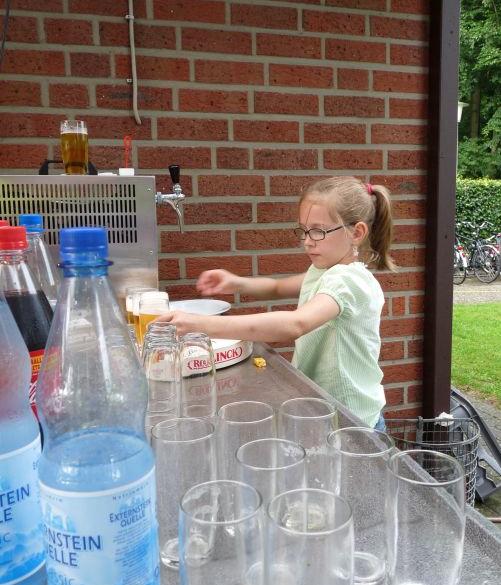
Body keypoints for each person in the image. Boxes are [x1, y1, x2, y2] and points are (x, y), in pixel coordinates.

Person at [160, 176, 395, 429]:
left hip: (352, 420)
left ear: (356, 233)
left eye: (318, 231)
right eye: (303, 230)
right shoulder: (324, 271)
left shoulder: (349, 280)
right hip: (325, 409)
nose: (307, 241)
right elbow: (277, 287)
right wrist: (236, 283)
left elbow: (296, 324)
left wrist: (201, 325)